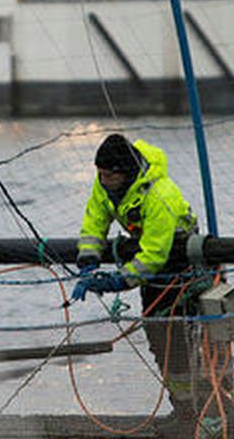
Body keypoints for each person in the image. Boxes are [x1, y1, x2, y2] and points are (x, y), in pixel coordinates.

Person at [71, 133, 206, 419]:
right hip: (149, 262)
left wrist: (117, 281)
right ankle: (184, 407)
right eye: (100, 174)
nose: (103, 180)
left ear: (125, 173)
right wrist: (88, 263)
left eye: (109, 175)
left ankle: (199, 408)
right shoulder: (104, 185)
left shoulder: (159, 193)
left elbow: (155, 254)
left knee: (176, 337)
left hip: (178, 262)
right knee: (159, 338)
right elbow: (94, 221)